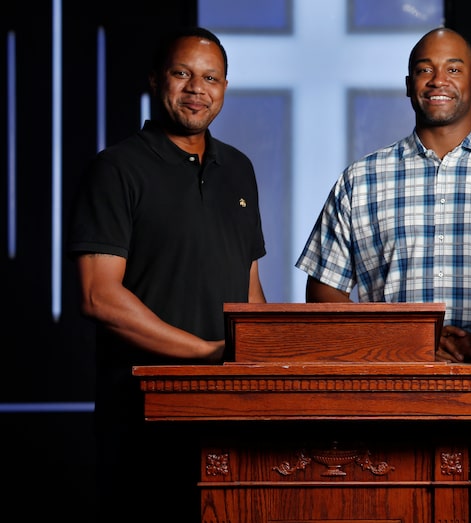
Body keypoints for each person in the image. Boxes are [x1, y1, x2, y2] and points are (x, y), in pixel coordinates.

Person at [295, 27, 471, 523]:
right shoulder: (361, 180)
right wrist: (395, 346)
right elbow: (324, 287)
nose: (437, 79)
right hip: (388, 407)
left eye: (453, 68)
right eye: (424, 68)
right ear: (408, 84)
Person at [67, 27, 267, 522]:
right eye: (183, 74)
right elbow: (97, 295)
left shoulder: (239, 170)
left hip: (227, 411)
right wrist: (205, 354)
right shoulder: (115, 169)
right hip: (142, 415)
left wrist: (261, 362)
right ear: (157, 80)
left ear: (224, 88)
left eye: (211, 78)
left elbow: (250, 289)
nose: (197, 88)